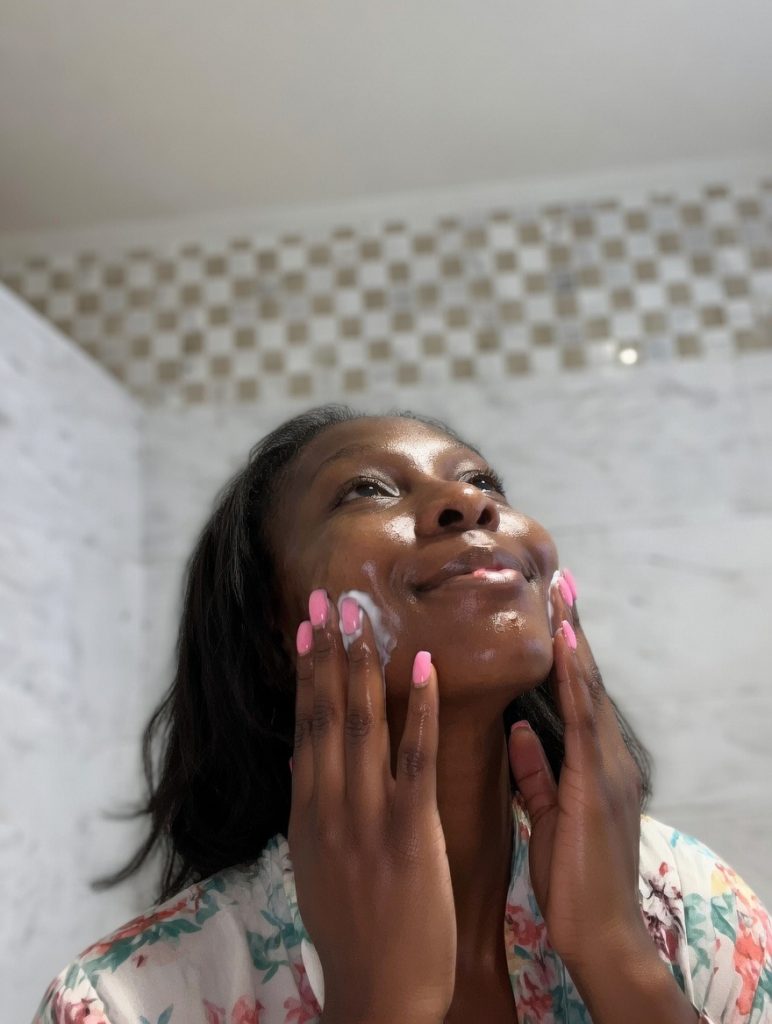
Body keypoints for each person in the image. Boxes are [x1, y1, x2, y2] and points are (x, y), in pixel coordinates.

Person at [34, 404, 772, 1024]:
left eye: (483, 481)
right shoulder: (121, 1002)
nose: (471, 504)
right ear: (271, 630)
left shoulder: (691, 901)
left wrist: (618, 955)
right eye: (365, 490)